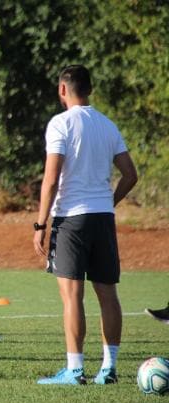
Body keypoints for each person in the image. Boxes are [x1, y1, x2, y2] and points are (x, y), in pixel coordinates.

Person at [33, 65, 138, 385]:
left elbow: (51, 178)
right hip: (102, 218)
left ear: (62, 90)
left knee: (72, 295)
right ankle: (109, 368)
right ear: (89, 89)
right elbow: (130, 175)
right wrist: (108, 202)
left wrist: (40, 223)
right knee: (108, 294)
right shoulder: (107, 125)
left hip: (71, 220)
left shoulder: (60, 123)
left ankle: (75, 369)